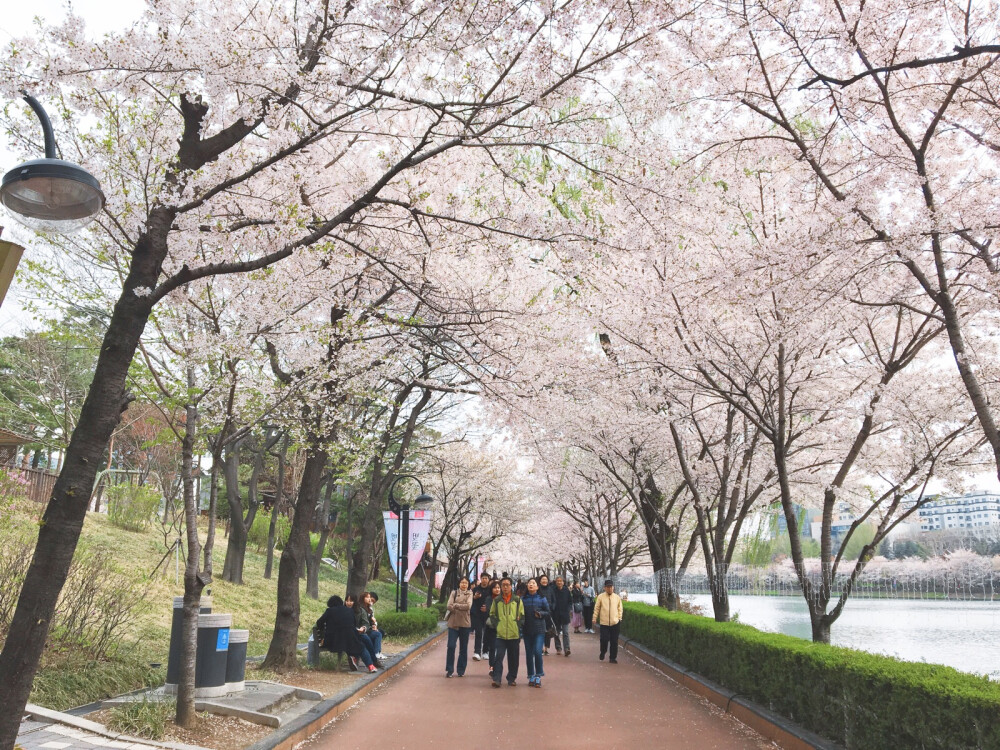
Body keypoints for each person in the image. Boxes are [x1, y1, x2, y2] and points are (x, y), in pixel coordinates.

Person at [315, 595, 376, 672]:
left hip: (333, 642)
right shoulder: (349, 611)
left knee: (352, 643)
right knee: (361, 647)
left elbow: (319, 622)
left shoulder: (329, 611)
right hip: (349, 640)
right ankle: (371, 666)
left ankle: (352, 656)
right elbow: (354, 624)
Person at [488, 576, 524, 687]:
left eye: (507, 585)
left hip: (514, 633)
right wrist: (497, 625)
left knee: (513, 658)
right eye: (503, 585)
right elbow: (492, 614)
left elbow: (522, 616)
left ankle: (511, 678)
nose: (505, 587)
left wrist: (518, 626)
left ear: (511, 586)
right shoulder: (497, 600)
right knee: (499, 656)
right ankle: (497, 678)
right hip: (500, 634)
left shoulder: (517, 600)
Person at [521, 577, 550, 687]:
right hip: (527, 630)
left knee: (537, 652)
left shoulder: (542, 598)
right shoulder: (523, 599)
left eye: (533, 583)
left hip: (539, 630)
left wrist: (540, 614)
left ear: (537, 587)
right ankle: (531, 675)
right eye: (529, 583)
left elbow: (548, 612)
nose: (531, 585)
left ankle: (538, 675)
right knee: (529, 653)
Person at [445, 577, 473, 677]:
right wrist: (461, 606)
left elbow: (468, 606)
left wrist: (456, 605)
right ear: (459, 583)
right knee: (451, 646)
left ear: (468, 584)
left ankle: (461, 670)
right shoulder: (454, 592)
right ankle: (449, 670)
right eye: (462, 582)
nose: (464, 584)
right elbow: (449, 605)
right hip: (453, 624)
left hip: (465, 624)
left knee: (463, 648)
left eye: (466, 583)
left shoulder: (470, 593)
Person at [592, 579, 624, 663]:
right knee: (604, 639)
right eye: (608, 587)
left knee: (614, 641)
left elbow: (620, 609)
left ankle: (612, 657)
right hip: (604, 623)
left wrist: (619, 618)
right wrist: (594, 617)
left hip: (615, 622)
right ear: (605, 588)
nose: (610, 589)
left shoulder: (617, 597)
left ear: (613, 588)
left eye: (611, 587)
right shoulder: (601, 597)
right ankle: (603, 651)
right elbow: (597, 608)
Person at [346, 593, 381, 669]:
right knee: (365, 640)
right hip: (347, 635)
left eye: (351, 601)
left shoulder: (361, 611)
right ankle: (373, 661)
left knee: (366, 638)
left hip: (359, 633)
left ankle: (371, 662)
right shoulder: (343, 610)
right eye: (347, 601)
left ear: (355, 602)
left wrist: (363, 628)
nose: (349, 603)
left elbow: (366, 623)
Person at [470, 572, 492, 661]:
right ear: (480, 579)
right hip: (477, 615)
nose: (484, 580)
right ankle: (477, 652)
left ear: (488, 579)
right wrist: (475, 597)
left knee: (487, 633)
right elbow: (470, 600)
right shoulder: (475, 589)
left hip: (487, 615)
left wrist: (487, 608)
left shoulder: (491, 590)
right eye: (483, 578)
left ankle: (486, 651)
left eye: (486, 578)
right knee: (478, 633)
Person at [551, 576, 573, 656]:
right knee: (556, 633)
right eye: (558, 581)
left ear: (563, 582)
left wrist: (568, 609)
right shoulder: (553, 590)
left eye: (561, 581)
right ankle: (558, 648)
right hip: (556, 615)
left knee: (566, 632)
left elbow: (570, 601)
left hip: (565, 615)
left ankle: (567, 648)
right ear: (556, 582)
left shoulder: (566, 590)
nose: (559, 582)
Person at [482, 579, 501, 671]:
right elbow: (490, 611)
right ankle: (492, 667)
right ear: (492, 589)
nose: (497, 589)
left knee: (500, 649)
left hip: (502, 627)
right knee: (493, 647)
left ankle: (497, 666)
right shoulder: (489, 598)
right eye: (495, 588)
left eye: (498, 588)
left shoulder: (504, 598)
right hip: (492, 627)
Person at [363, 591, 385, 660]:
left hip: (369, 629)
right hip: (365, 630)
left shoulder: (370, 609)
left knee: (380, 632)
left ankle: (378, 652)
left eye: (373, 602)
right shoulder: (362, 608)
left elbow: (373, 620)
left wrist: (374, 625)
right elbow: (365, 621)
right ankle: (376, 653)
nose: (371, 602)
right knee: (378, 634)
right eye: (370, 599)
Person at [537, 574, 555, 654]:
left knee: (548, 631)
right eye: (543, 579)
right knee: (540, 631)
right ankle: (540, 647)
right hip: (539, 613)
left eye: (546, 579)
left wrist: (552, 607)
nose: (544, 581)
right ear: (540, 581)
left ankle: (546, 648)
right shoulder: (537, 589)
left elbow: (554, 600)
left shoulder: (551, 589)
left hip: (548, 613)